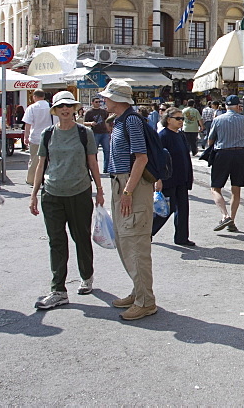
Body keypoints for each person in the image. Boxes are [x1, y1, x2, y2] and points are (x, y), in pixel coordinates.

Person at [28, 91, 105, 310]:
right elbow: (40, 165)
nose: (65, 109)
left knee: (81, 237)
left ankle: (86, 276)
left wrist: (99, 189)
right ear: (54, 110)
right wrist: (33, 194)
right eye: (61, 106)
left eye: (69, 106)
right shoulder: (47, 134)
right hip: (52, 194)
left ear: (75, 109)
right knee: (56, 242)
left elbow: (92, 162)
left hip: (79, 192)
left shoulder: (84, 133)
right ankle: (58, 290)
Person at [99, 79, 157, 321]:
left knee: (134, 243)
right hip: (121, 182)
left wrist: (127, 191)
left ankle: (145, 301)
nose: (104, 100)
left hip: (130, 184)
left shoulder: (131, 121)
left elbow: (140, 158)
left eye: (107, 97)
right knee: (125, 240)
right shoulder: (124, 120)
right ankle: (139, 292)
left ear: (117, 99)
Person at [151, 107, 194, 247]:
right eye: (178, 118)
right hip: (168, 179)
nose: (181, 121)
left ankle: (182, 237)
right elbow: (157, 159)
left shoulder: (180, 135)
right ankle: (148, 232)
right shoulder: (163, 136)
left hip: (182, 178)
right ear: (168, 120)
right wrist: (158, 179)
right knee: (165, 209)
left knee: (183, 209)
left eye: (182, 119)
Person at [205, 94, 244, 232]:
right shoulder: (243, 119)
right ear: (237, 106)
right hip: (240, 154)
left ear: (225, 106)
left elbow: (210, 140)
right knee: (236, 189)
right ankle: (232, 220)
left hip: (222, 153)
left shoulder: (218, 119)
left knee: (215, 187)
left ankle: (225, 215)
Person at [22, 89, 54, 186]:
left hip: (35, 137)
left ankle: (32, 180)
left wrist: (26, 137)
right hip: (50, 137)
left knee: (34, 160)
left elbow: (28, 124)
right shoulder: (51, 107)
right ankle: (48, 179)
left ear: (34, 97)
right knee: (50, 160)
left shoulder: (31, 107)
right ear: (43, 96)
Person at [83, 97, 111, 173]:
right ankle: (94, 169)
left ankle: (106, 168)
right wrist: (91, 123)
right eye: (96, 102)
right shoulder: (89, 112)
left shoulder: (103, 111)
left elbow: (107, 121)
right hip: (95, 133)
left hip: (104, 132)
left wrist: (109, 130)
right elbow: (84, 122)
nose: (98, 103)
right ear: (92, 103)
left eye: (99, 102)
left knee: (107, 150)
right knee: (94, 152)